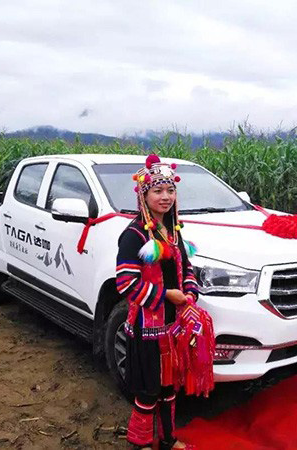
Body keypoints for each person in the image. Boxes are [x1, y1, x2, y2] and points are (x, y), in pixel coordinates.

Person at [116, 153, 213, 450]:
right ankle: (140, 441)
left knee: (169, 388)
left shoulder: (173, 232)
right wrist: (166, 295)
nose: (166, 197)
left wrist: (190, 293)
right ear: (143, 195)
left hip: (172, 327)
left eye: (170, 190)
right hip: (147, 328)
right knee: (148, 391)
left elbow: (186, 268)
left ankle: (168, 440)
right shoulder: (133, 235)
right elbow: (126, 284)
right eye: (158, 191)